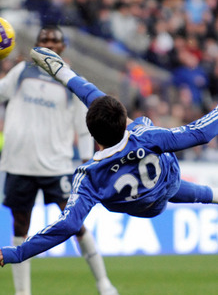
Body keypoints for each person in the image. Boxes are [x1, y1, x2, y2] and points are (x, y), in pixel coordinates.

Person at [1, 46, 218, 278]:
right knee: (141, 125)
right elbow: (201, 134)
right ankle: (62, 71)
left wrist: (15, 253)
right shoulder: (145, 135)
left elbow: (68, 225)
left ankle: (62, 72)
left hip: (137, 206)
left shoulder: (88, 176)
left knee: (105, 110)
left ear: (92, 136)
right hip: (166, 180)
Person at [0, 28, 118, 295]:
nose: (50, 44)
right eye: (44, 40)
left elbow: (85, 128)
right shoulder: (20, 73)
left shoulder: (72, 82)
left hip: (58, 166)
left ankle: (104, 284)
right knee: (20, 226)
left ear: (64, 46)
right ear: (37, 45)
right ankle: (22, 292)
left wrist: (90, 164)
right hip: (19, 163)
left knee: (75, 224)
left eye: (55, 40)